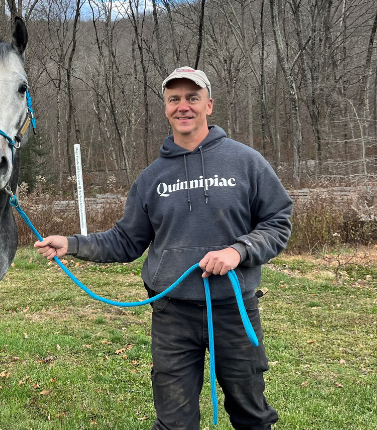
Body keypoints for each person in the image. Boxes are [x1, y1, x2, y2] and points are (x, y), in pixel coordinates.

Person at [34, 66, 292, 430]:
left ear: (209, 105)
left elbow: (278, 222)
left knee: (252, 416)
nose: (183, 106)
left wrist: (238, 251)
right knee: (174, 423)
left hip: (234, 311)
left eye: (192, 98)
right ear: (166, 108)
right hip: (173, 314)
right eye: (174, 99)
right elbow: (125, 241)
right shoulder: (151, 178)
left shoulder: (246, 162)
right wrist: (72, 244)